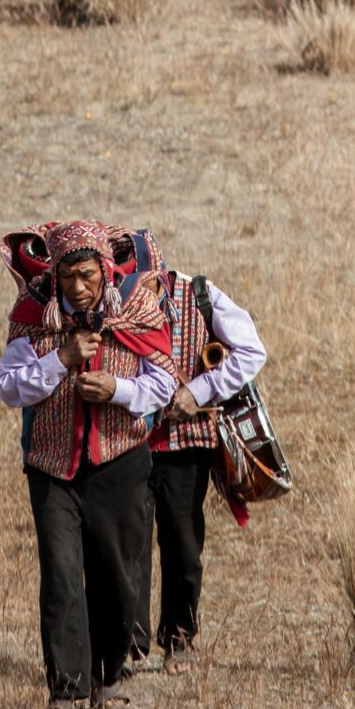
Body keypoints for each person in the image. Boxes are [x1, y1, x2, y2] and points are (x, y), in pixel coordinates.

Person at [0, 219, 176, 709]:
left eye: (89, 275)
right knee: (60, 576)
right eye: (69, 276)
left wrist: (117, 392)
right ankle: (67, 690)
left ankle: (109, 675)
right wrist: (61, 359)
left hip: (120, 460)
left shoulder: (136, 311)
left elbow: (162, 383)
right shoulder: (36, 316)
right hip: (52, 466)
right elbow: (10, 387)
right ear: (56, 276)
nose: (79, 287)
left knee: (115, 572)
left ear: (104, 270)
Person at [137, 258, 267, 670]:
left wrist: (198, 390)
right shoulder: (106, 300)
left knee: (183, 546)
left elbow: (251, 350)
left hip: (185, 443)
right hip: (124, 445)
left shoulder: (198, 295)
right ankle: (125, 643)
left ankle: (179, 639)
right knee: (123, 547)